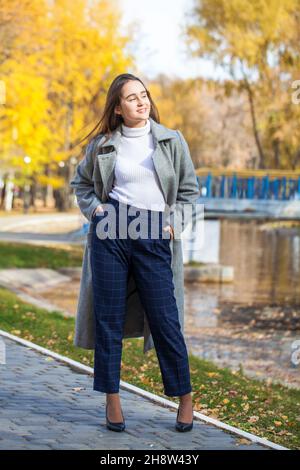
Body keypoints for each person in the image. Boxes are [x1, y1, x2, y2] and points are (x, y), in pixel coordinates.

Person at [70, 73, 199, 432]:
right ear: (117, 108)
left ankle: (185, 397)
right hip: (111, 232)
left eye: (144, 95)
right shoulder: (102, 145)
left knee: (165, 319)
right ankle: (112, 399)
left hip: (155, 232)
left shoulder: (172, 142)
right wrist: (96, 209)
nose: (142, 102)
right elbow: (80, 183)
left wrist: (174, 225)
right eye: (132, 98)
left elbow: (189, 192)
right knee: (107, 318)